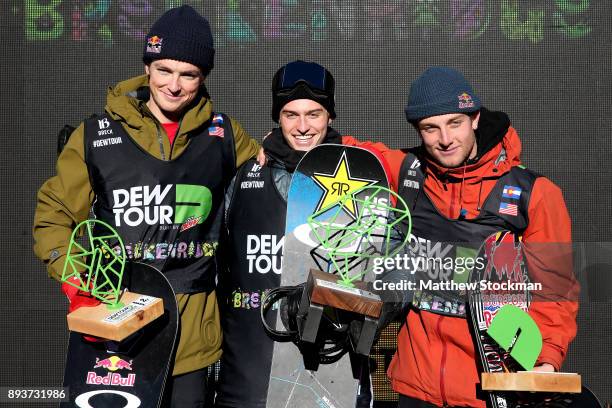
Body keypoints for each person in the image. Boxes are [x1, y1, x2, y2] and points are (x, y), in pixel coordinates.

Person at [32, 5, 259, 407]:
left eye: (188, 74)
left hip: (192, 337)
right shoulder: (95, 135)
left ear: (202, 78)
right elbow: (53, 218)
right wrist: (80, 284)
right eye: (164, 70)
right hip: (117, 329)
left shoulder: (223, 135)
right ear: (148, 67)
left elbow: (277, 170)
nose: (174, 85)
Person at [375, 67, 579, 407]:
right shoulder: (409, 176)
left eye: (455, 122)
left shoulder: (536, 194)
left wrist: (545, 359)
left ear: (475, 119)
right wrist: (277, 146)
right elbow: (344, 153)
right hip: (416, 387)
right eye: (430, 128)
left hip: (492, 389)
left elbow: (556, 289)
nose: (445, 138)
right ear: (418, 131)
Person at [215, 60, 392, 408]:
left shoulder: (365, 177)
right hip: (252, 375)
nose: (302, 126)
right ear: (276, 118)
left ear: (330, 117)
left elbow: (391, 268)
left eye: (314, 114)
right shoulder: (245, 174)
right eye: (290, 114)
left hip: (333, 366)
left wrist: (377, 306)